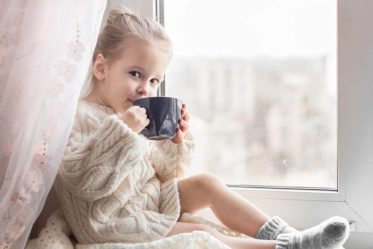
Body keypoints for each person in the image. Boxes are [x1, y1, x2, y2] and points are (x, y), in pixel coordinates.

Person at [53, 8, 350, 249]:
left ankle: (284, 233)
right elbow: (87, 186)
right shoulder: (80, 117)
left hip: (146, 201)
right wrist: (122, 133)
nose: (145, 88)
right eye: (135, 74)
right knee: (198, 232)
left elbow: (168, 173)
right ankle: (289, 248)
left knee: (206, 183)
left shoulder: (131, 114)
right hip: (108, 220)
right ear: (101, 68)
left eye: (154, 80)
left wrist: (174, 141)